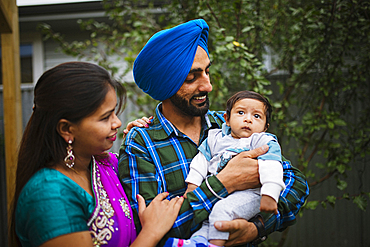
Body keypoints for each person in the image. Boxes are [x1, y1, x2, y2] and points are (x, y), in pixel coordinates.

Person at [119, 19, 309, 246]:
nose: (207, 86)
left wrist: (256, 228)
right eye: (192, 77)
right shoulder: (141, 144)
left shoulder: (229, 123)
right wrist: (223, 183)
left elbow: (296, 184)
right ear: (165, 85)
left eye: (207, 71)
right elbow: (149, 231)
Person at [9, 61, 183, 247]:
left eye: (115, 113)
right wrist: (151, 232)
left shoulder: (104, 165)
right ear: (67, 129)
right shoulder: (48, 195)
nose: (117, 122)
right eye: (105, 117)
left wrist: (138, 140)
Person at [166, 90, 285, 247]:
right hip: (223, 192)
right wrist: (192, 185)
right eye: (241, 112)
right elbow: (201, 161)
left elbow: (273, 166)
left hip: (251, 194)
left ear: (265, 127)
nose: (248, 119)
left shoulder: (262, 141)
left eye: (256, 116)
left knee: (221, 210)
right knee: (208, 216)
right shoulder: (215, 138)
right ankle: (198, 241)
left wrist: (270, 194)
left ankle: (215, 244)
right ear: (227, 119)